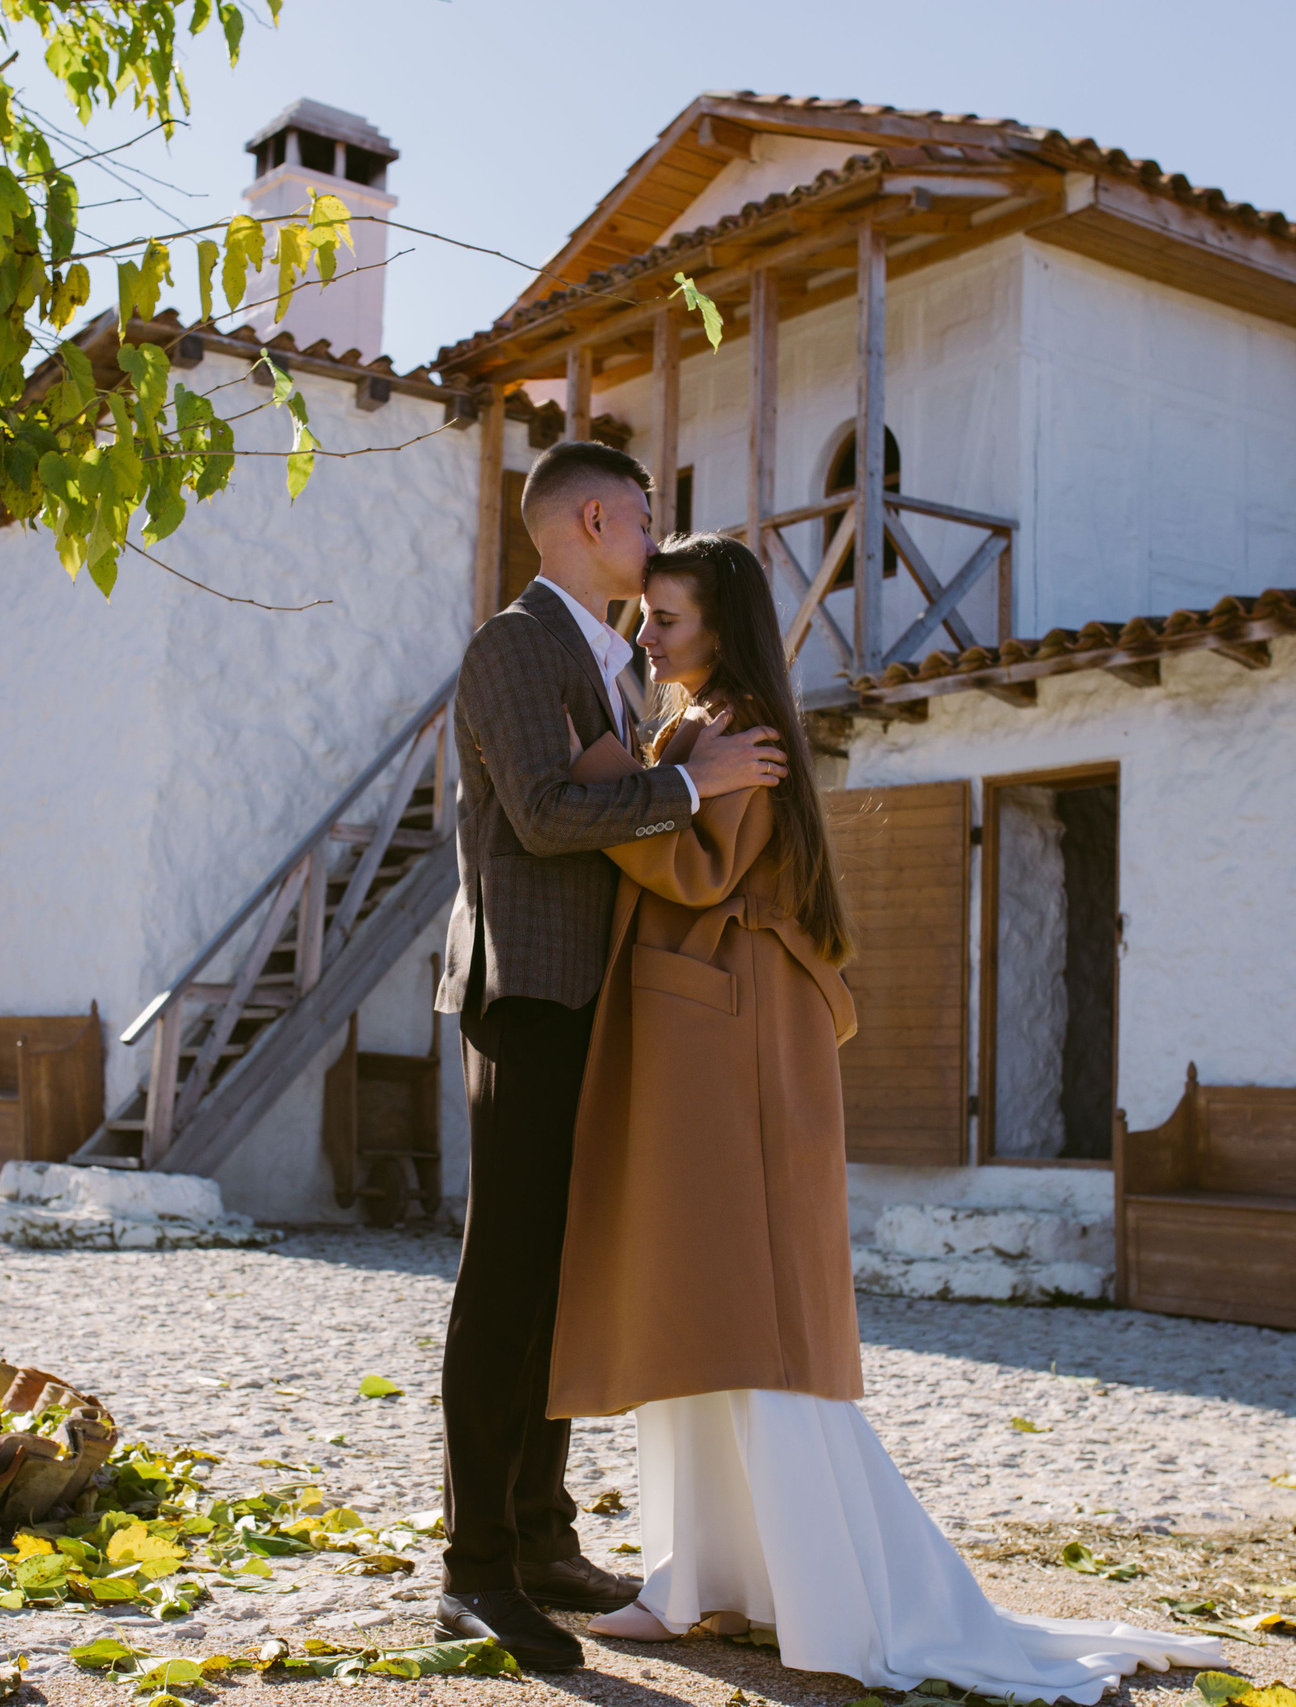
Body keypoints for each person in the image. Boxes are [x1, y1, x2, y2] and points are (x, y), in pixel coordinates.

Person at [553, 534, 1225, 1703]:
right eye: (645, 618)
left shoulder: (734, 726)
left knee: (742, 1309)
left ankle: (805, 1588)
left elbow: (692, 871)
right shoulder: (703, 721)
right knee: (696, 1303)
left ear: (721, 625)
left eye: (665, 619)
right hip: (703, 1032)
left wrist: (609, 774)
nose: (645, 638)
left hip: (728, 1038)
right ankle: (699, 1576)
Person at [431, 446, 790, 1674]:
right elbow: (539, 815)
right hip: (527, 994)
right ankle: (475, 1570)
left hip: (594, 999)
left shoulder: (602, 655)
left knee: (564, 1277)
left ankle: (540, 1537)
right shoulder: (513, 646)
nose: (655, 532)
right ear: (596, 517)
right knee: (510, 1278)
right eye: (646, 515)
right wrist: (687, 785)